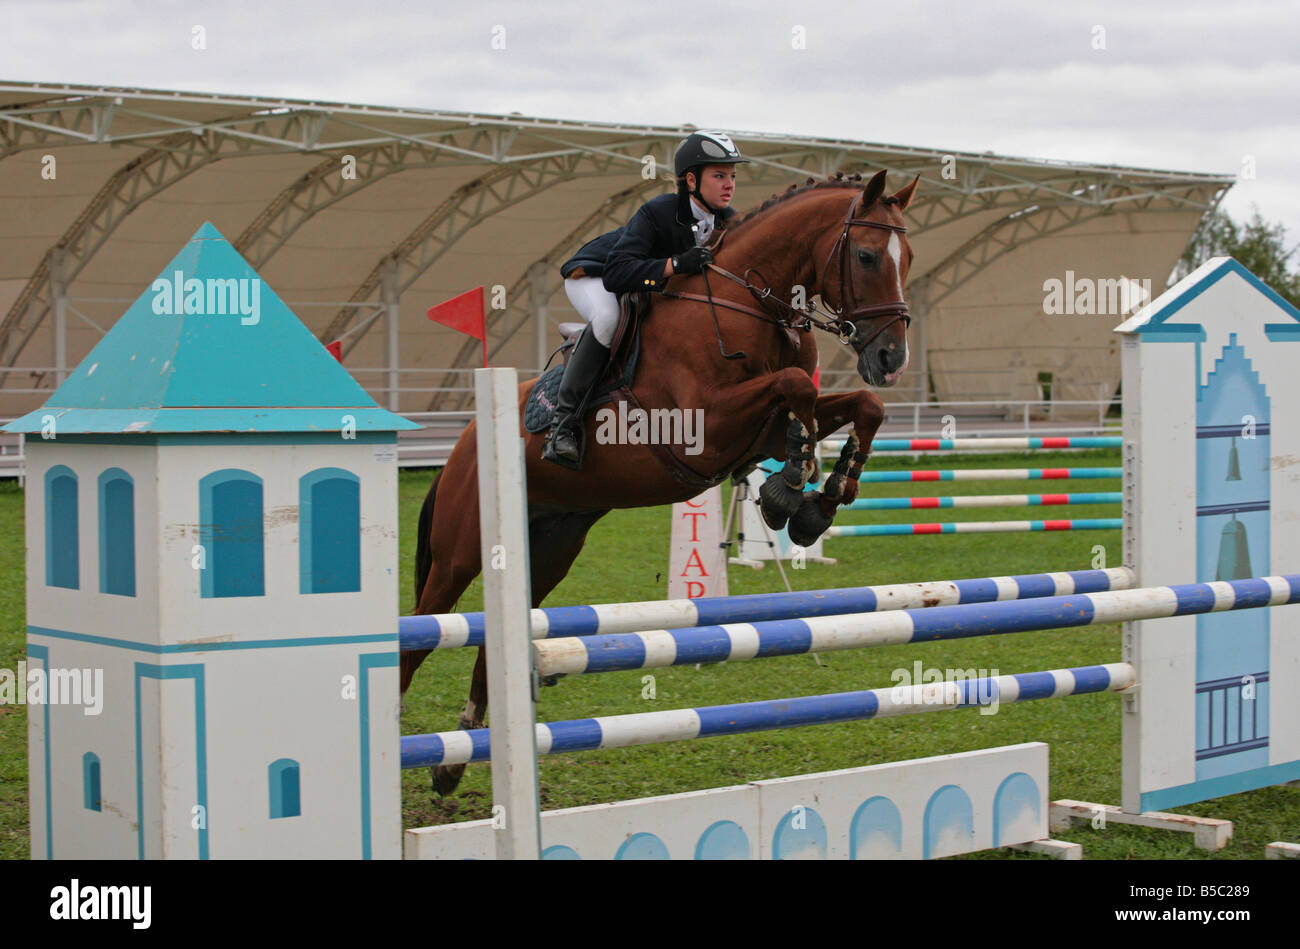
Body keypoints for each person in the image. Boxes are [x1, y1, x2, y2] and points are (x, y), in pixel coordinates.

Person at [542, 130, 750, 468]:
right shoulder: (660, 211)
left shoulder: (729, 222)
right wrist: (676, 264)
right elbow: (617, 273)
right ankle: (563, 426)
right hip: (595, 276)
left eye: (732, 176)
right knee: (608, 320)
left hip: (640, 284)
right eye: (719, 176)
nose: (729, 184)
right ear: (692, 180)